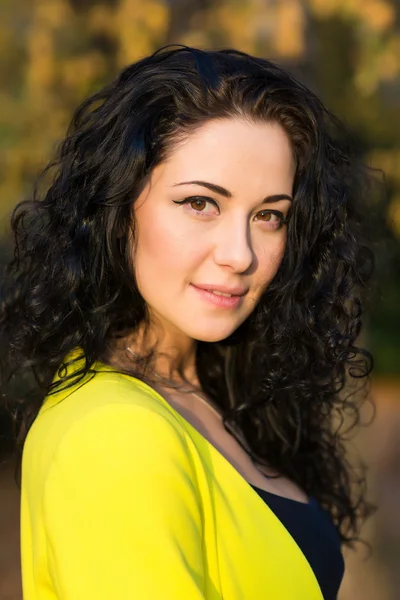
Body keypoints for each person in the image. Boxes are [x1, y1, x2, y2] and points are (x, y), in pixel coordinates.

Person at [0, 45, 376, 599]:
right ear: (116, 205)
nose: (240, 254)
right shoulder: (112, 432)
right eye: (201, 203)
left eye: (269, 215)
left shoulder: (213, 389)